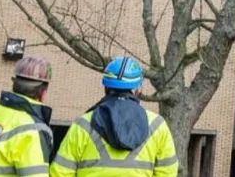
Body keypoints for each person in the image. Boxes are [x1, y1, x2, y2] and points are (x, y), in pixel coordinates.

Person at [50, 56, 178, 177]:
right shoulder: (157, 125)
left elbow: (61, 173)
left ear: (106, 87)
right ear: (138, 89)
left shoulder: (83, 124)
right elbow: (168, 173)